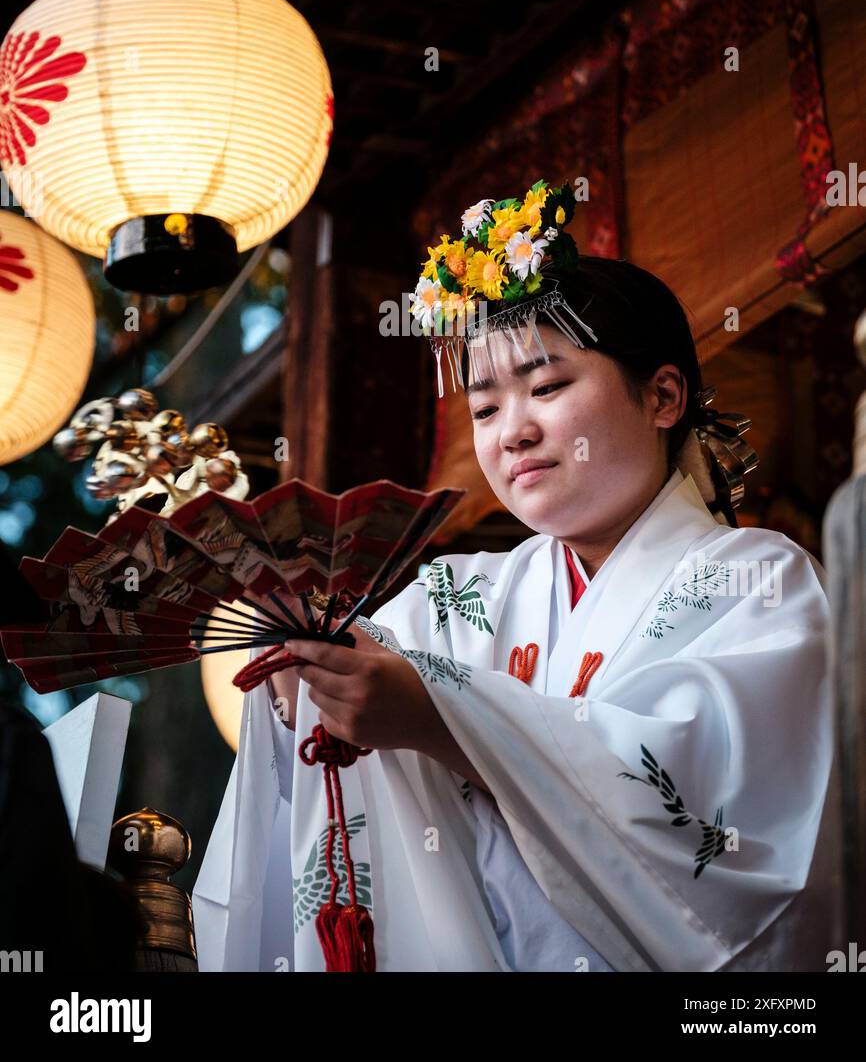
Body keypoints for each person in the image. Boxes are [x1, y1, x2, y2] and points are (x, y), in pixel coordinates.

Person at [193, 180, 839, 972]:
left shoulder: (760, 582)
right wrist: (304, 679)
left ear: (663, 396)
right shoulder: (452, 598)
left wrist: (438, 715)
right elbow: (322, 752)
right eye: (486, 408)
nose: (514, 432)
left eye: (549, 386)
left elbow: (724, 825)